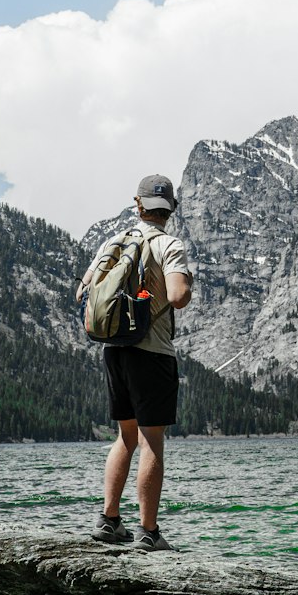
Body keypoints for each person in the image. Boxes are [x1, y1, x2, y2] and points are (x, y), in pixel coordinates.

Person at [76, 174, 194, 550]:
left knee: (125, 436)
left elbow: (83, 290)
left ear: (138, 204)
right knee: (152, 442)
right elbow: (177, 296)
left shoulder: (114, 242)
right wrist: (183, 280)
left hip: (114, 350)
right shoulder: (170, 244)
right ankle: (148, 533)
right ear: (170, 209)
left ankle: (109, 521)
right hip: (153, 352)